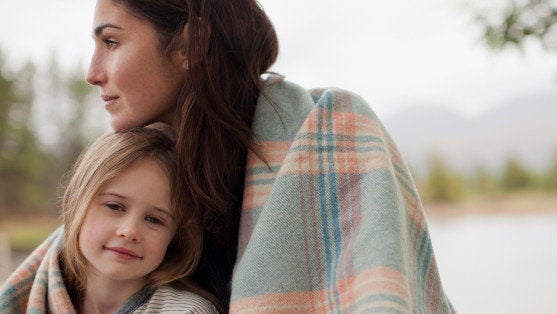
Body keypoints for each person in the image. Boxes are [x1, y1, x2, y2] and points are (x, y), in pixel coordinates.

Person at [84, 0, 455, 312]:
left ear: (189, 45)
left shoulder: (333, 129)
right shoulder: (135, 173)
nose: (92, 73)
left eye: (112, 42)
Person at [0, 127, 219, 313]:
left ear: (175, 237)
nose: (129, 231)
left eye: (154, 219)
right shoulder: (37, 295)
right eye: (115, 206)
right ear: (78, 205)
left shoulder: (186, 310)